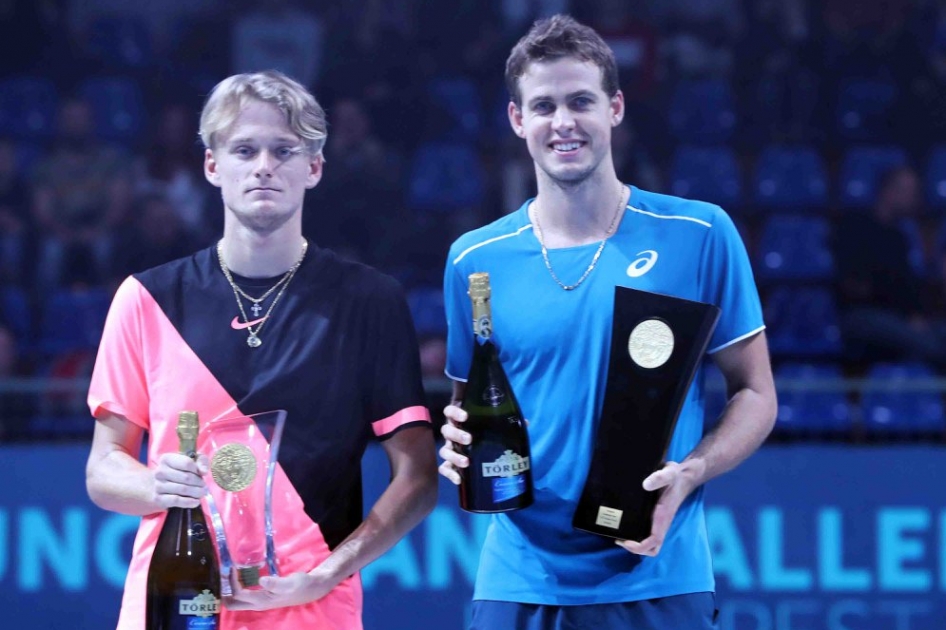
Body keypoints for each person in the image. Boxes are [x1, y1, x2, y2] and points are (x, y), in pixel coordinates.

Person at [438, 15, 777, 629]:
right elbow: (471, 410)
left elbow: (756, 393)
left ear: (614, 108)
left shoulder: (699, 234)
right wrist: (457, 445)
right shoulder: (474, 259)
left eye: (580, 101)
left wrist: (692, 472)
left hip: (657, 573)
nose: (562, 122)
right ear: (518, 120)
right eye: (542, 105)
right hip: (519, 583)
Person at [85, 70, 438, 630]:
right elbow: (103, 470)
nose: (264, 166)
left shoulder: (370, 301)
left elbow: (418, 477)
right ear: (212, 165)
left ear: (314, 168)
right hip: (172, 606)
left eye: (284, 150)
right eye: (245, 149)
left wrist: (327, 574)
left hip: (315, 609)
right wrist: (157, 484)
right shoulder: (145, 298)